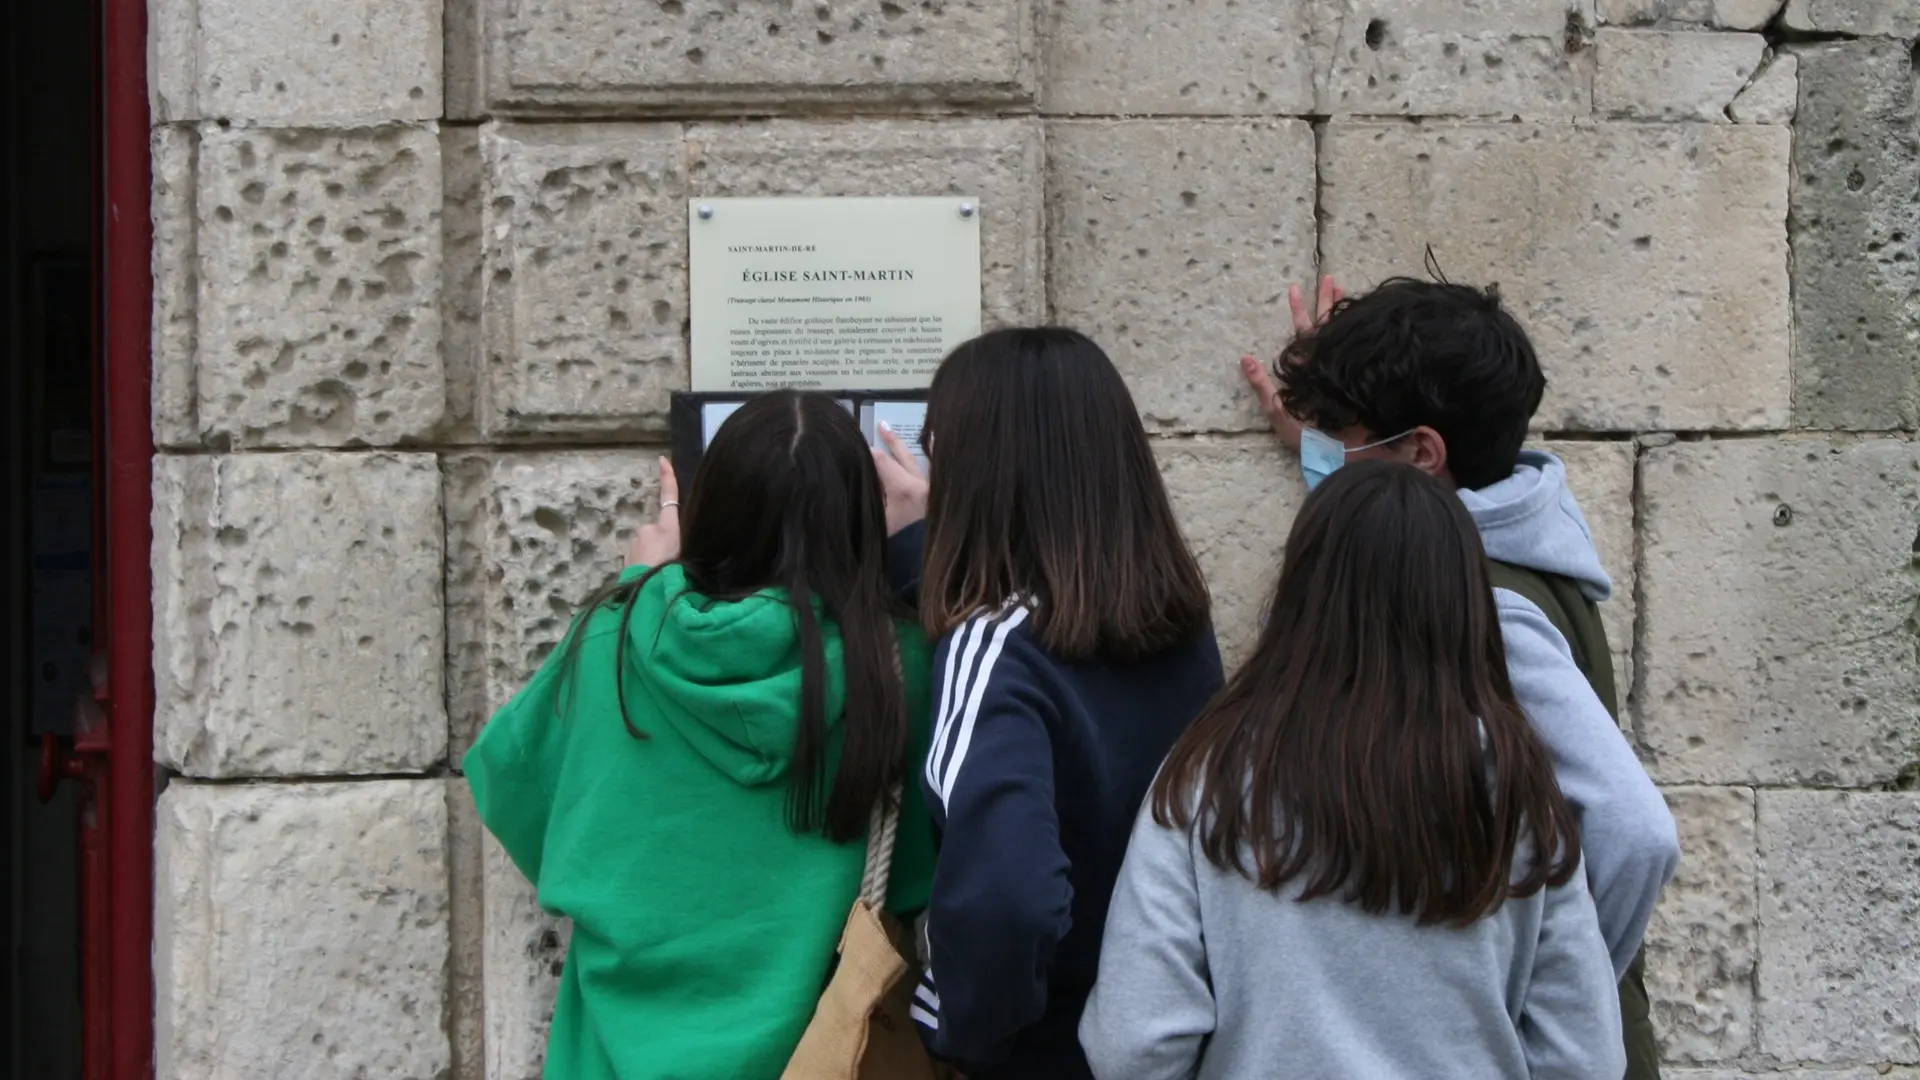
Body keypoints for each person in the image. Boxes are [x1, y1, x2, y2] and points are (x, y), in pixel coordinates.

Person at [1239, 275, 1679, 1077]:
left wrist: (1554, 1000)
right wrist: (1327, 455)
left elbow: (1635, 830)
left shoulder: (1484, 603)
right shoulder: (1530, 523)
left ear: (1422, 452)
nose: (1323, 450)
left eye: (1339, 433)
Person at [1080, 461, 1625, 1080]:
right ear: (1463, 602)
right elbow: (1586, 1057)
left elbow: (1134, 1044)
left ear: (1300, 592)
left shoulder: (1209, 773)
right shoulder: (1515, 785)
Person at [465, 390, 939, 1080]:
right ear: (859, 524)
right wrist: (919, 550)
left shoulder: (613, 640)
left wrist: (641, 586)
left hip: (609, 1055)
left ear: (706, 511)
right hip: (819, 1055)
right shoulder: (897, 668)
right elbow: (923, 871)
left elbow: (512, 788)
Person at [871, 327, 1225, 1079]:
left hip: (1043, 1053)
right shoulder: (1181, 628)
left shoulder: (992, 650)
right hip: (1168, 1038)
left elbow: (1009, 903)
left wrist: (958, 1028)